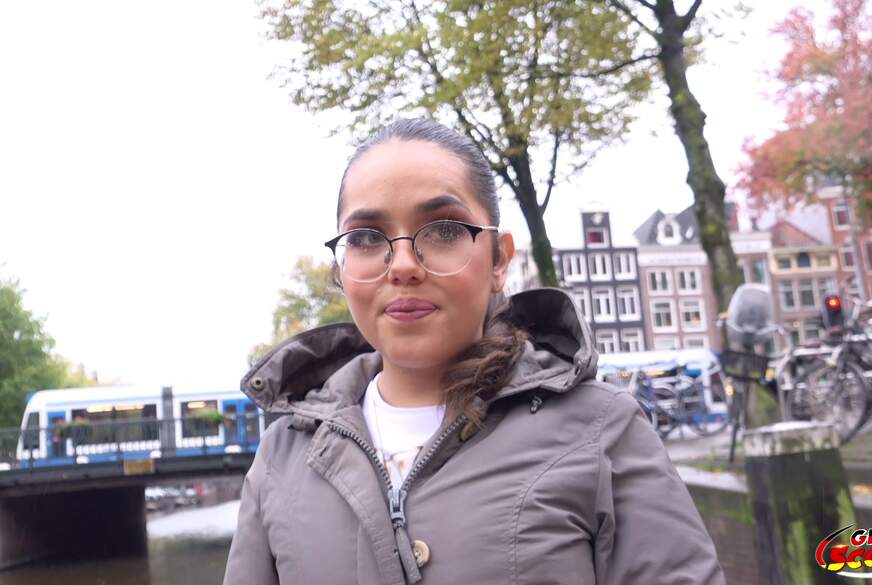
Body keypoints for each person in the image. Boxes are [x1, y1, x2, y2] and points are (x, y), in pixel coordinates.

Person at [223, 117, 727, 584]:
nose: (403, 265)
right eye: (366, 237)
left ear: (499, 261)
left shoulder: (602, 430)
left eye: (444, 230)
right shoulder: (281, 457)